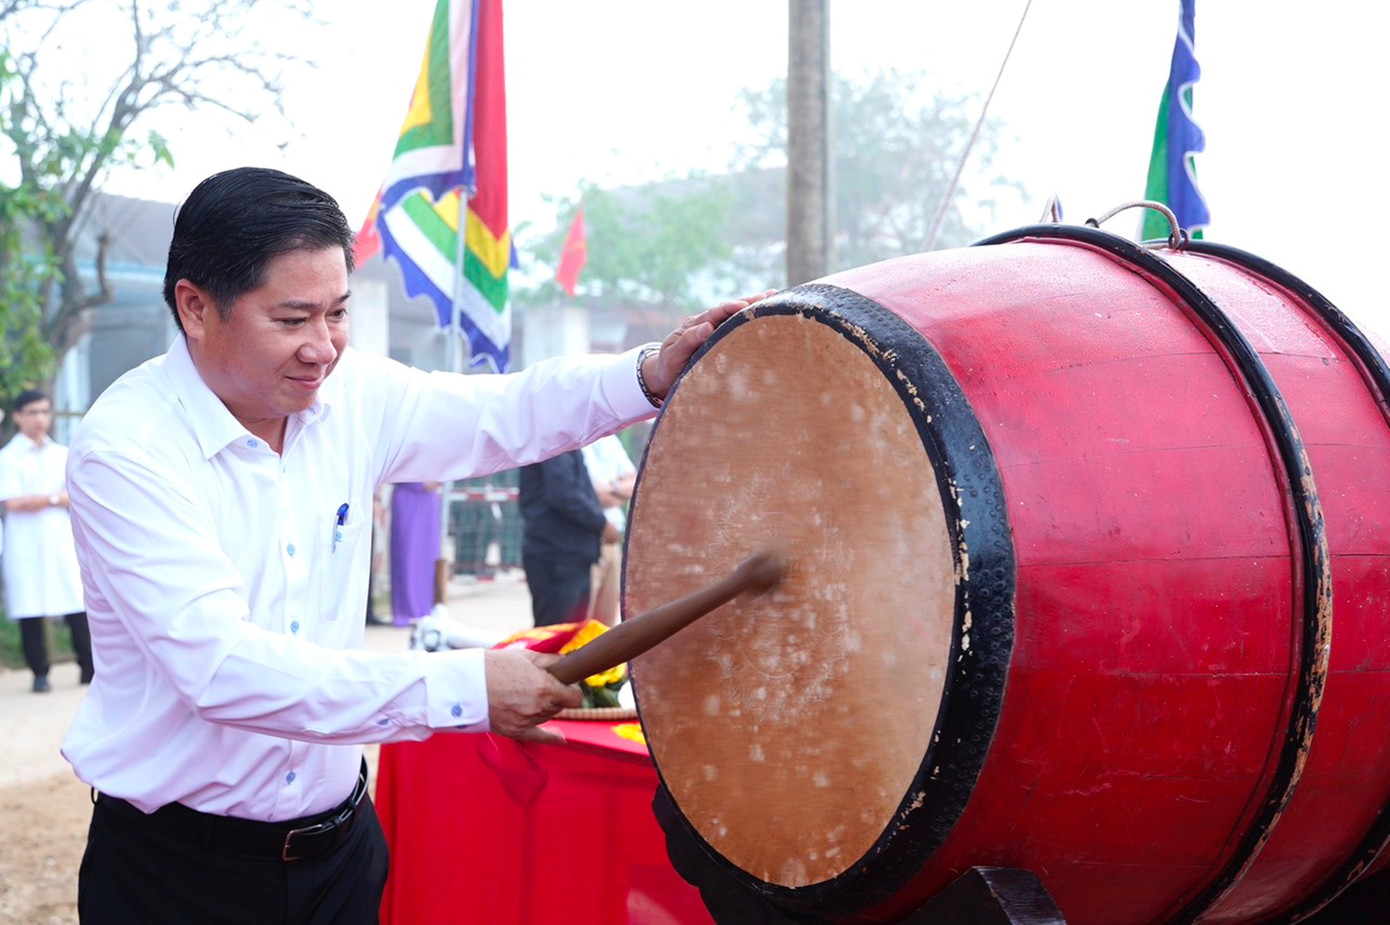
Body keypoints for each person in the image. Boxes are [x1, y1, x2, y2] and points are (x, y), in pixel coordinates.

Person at [60, 166, 770, 925]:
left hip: (339, 853)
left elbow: (503, 411)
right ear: (196, 307)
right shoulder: (129, 449)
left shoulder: (349, 396)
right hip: (182, 875)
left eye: (337, 313)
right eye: (292, 319)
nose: (322, 348)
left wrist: (650, 374)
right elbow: (221, 669)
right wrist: (464, 688)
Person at [0, 389, 94, 693]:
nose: (40, 419)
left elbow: (75, 494)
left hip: (59, 537)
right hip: (24, 540)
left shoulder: (62, 454)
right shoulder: (7, 458)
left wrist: (45, 499)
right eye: (33, 412)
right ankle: (39, 672)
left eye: (44, 411)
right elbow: (11, 502)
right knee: (30, 605)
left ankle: (88, 667)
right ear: (18, 416)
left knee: (74, 599)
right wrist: (54, 498)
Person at [518, 449, 615, 626]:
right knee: (557, 631)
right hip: (557, 555)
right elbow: (564, 494)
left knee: (572, 631)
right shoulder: (554, 443)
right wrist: (602, 524)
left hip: (571, 555)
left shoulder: (564, 444)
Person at [581, 433, 637, 625]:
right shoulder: (575, 442)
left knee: (605, 625)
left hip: (613, 542)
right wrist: (618, 489)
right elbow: (590, 494)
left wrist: (610, 488)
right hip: (585, 542)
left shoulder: (609, 440)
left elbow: (635, 483)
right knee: (579, 624)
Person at [388, 481, 443, 626]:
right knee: (407, 556)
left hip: (428, 497)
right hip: (408, 493)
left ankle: (425, 608)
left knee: (428, 556)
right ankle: (407, 610)